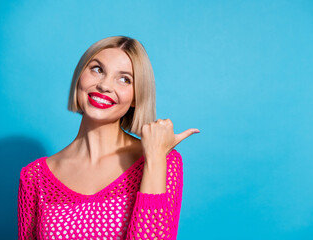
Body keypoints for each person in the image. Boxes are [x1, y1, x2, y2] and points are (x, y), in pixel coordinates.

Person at [17, 36, 200, 240]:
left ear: (136, 97)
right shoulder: (35, 177)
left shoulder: (162, 160)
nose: (104, 85)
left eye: (124, 79)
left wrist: (155, 159)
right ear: (80, 76)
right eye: (97, 69)